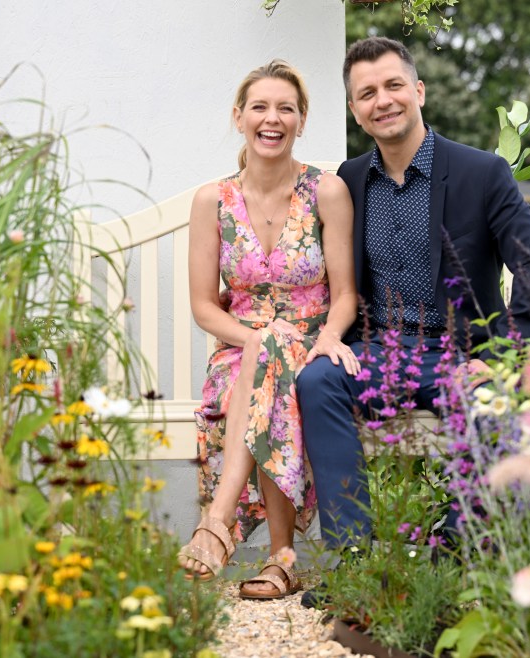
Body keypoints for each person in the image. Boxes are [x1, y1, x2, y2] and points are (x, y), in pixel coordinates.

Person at [297, 36, 530, 598]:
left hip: (461, 354)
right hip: (377, 350)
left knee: (491, 407)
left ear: (418, 90)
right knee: (316, 379)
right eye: (366, 93)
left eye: (393, 85)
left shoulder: (481, 172)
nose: (382, 101)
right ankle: (354, 566)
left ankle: (460, 557)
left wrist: (506, 354)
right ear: (355, 109)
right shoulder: (350, 178)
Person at [179, 59, 359, 600]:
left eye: (286, 108)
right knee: (264, 355)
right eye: (260, 106)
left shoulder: (326, 192)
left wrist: (329, 336)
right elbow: (203, 306)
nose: (272, 118)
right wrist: (251, 337)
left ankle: (217, 522)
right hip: (239, 348)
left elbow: (347, 293)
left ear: (302, 120)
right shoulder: (213, 201)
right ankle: (281, 559)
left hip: (311, 344)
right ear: (239, 117)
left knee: (277, 351)